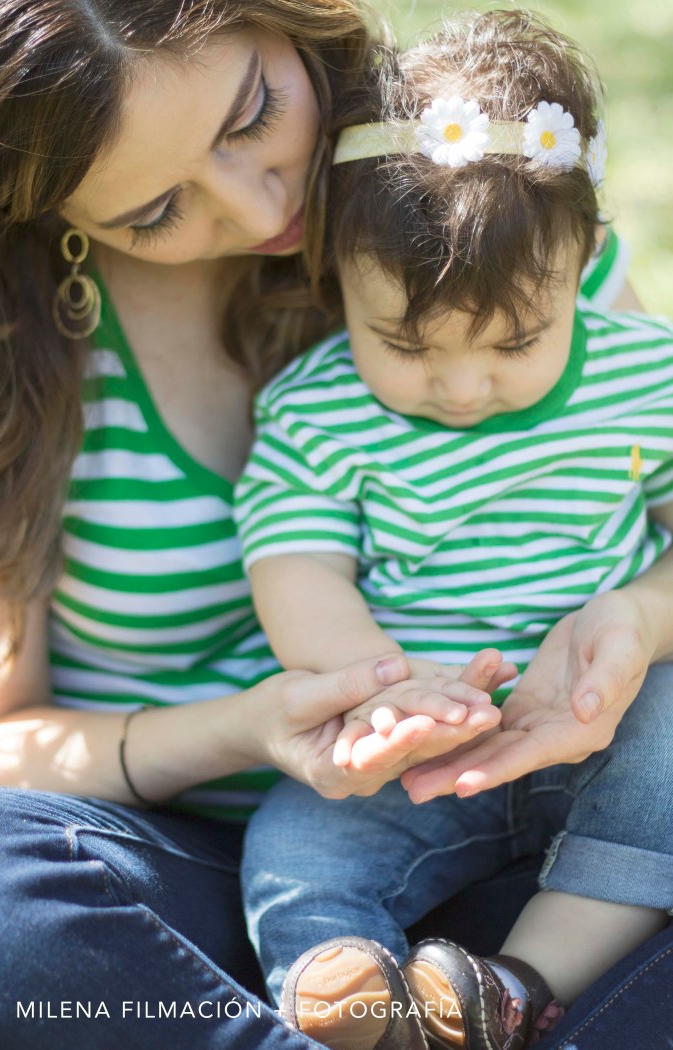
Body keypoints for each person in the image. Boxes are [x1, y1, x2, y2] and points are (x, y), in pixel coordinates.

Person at [0, 2, 669, 1049]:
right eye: (155, 211)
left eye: (253, 115)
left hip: (570, 843)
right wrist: (254, 728)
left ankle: (507, 997)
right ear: (58, 210)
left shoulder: (480, 190)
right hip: (216, 878)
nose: (259, 214)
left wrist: (639, 618)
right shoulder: (10, 360)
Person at [234, 10, 673, 1048]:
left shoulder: (643, 377)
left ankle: (515, 984)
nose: (465, 386)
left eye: (517, 340)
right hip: (422, 744)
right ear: (334, 279)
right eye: (405, 344)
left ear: (584, 263)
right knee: (293, 835)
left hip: (608, 710)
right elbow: (297, 566)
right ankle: (341, 979)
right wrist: (379, 687)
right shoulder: (315, 411)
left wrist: (642, 621)